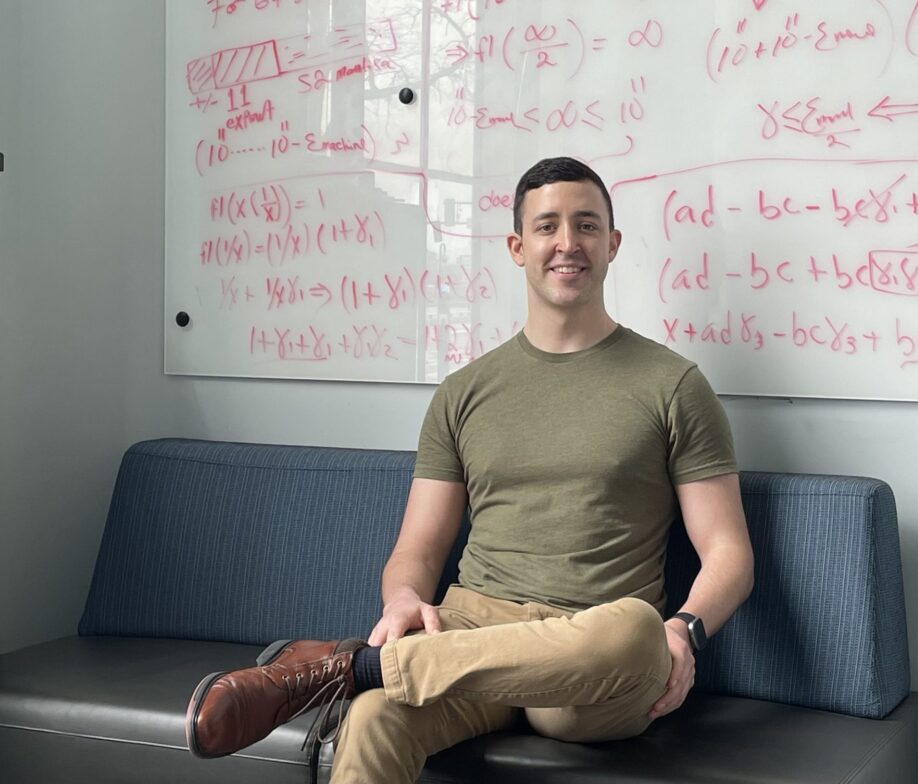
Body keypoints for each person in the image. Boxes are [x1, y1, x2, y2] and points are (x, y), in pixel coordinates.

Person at [185, 157, 754, 783]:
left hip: (589, 663)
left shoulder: (672, 385)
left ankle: (356, 668)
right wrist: (403, 599)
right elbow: (419, 549)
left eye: (587, 225)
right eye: (547, 227)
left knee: (638, 633)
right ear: (517, 246)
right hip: (470, 625)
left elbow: (727, 550)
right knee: (373, 721)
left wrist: (684, 633)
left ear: (612, 244)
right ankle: (376, 682)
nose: (568, 243)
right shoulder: (463, 392)